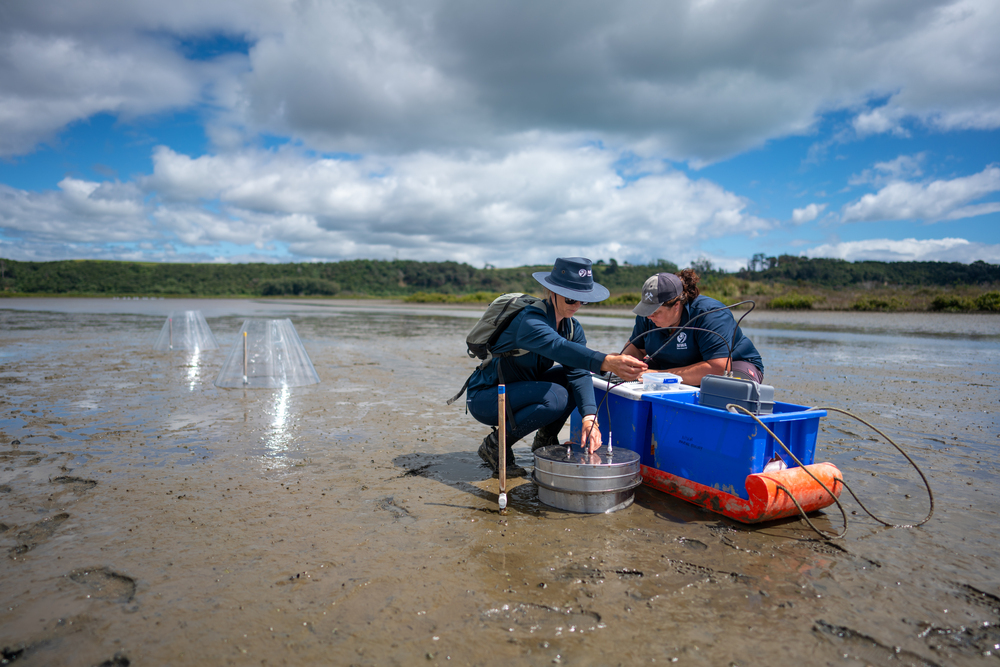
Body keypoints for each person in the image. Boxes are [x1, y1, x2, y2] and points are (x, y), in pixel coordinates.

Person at [466, 257, 647, 478]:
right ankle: (495, 445)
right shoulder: (529, 320)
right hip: (488, 396)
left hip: (521, 391)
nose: (576, 306)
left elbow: (578, 371)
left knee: (569, 379)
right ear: (550, 291)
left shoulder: (572, 328)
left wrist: (590, 417)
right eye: (571, 299)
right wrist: (606, 361)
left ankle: (544, 440)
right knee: (554, 397)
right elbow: (557, 346)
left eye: (583, 300)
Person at [623, 269, 764, 386]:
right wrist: (622, 363)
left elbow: (718, 368)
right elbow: (635, 347)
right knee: (626, 380)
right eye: (646, 310)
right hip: (674, 364)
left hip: (732, 365)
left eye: (655, 312)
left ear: (676, 306)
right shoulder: (647, 316)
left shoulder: (710, 314)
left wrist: (657, 375)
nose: (649, 317)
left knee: (729, 390)